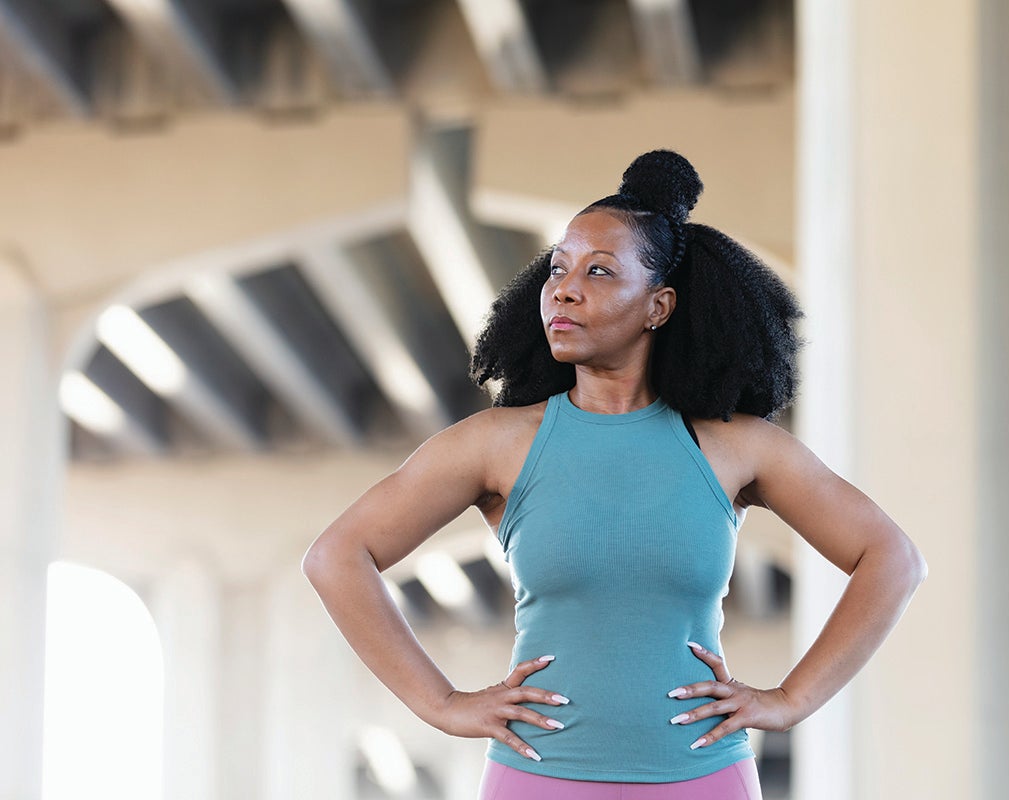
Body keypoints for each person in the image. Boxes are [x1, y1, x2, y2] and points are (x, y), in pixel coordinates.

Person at [301, 149, 927, 799]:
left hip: (703, 779)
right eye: (558, 269)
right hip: (538, 780)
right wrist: (442, 702)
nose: (565, 289)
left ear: (658, 306)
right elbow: (337, 555)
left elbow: (892, 559)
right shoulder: (496, 444)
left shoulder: (736, 448)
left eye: (599, 272)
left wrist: (793, 699)